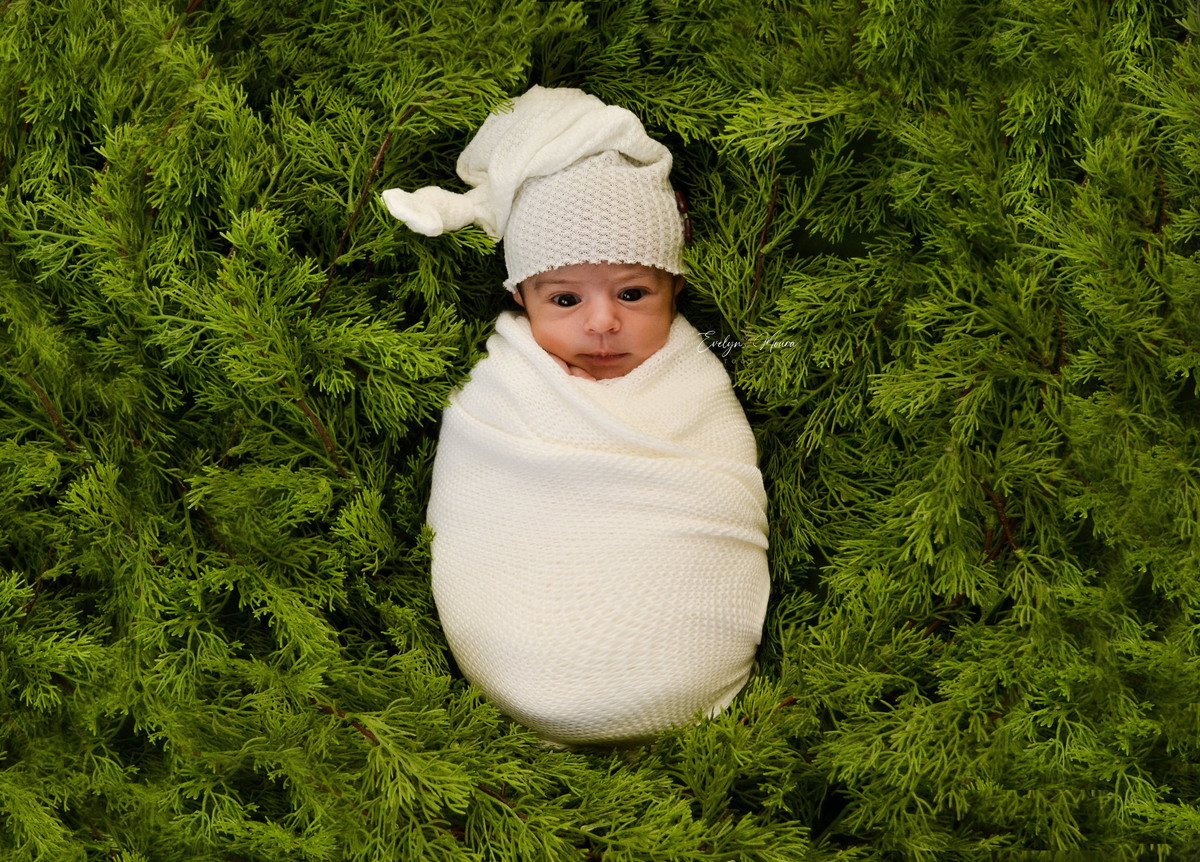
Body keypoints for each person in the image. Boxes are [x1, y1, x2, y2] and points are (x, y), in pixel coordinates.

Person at [382, 86, 769, 747]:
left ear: (674, 288)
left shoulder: (692, 379)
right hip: (525, 649)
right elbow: (479, 502)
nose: (602, 321)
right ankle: (552, 673)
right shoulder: (504, 384)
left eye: (633, 291)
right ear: (522, 298)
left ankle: (659, 671)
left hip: (675, 634)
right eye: (564, 297)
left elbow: (719, 485)